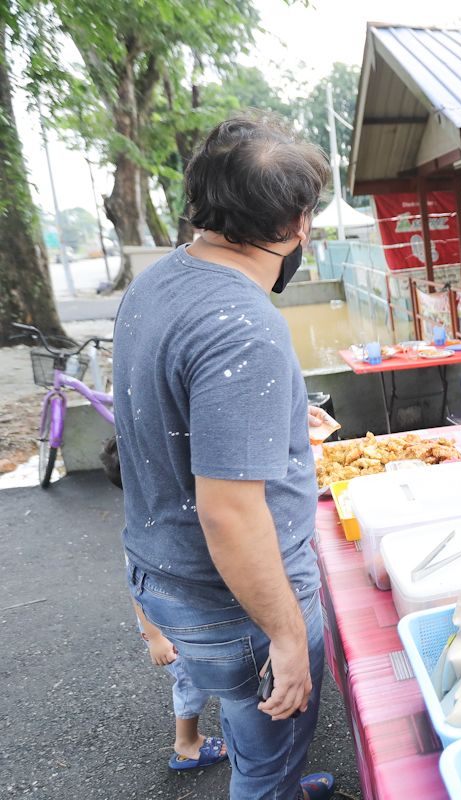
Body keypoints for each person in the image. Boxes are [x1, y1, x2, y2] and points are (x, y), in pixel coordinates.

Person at [113, 115, 335, 800]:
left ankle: (277, 777)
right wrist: (288, 638)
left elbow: (169, 404)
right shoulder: (243, 322)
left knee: (251, 723)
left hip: (164, 573)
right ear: (298, 223)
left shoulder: (159, 281)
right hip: (233, 599)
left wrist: (271, 417)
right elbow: (231, 516)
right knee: (268, 754)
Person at [131, 599, 227, 770]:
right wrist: (155, 637)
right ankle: (187, 742)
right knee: (191, 680)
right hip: (169, 627)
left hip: (191, 616)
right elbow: (137, 583)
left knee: (199, 674)